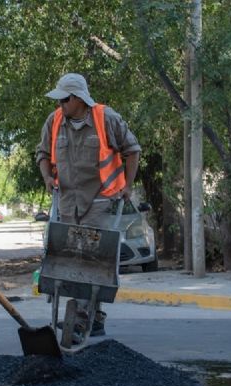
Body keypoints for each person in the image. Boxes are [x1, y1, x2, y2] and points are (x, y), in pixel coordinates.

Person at [35, 73, 141, 340]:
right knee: (71, 260)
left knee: (92, 259)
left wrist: (128, 185)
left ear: (79, 98)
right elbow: (42, 153)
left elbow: (133, 150)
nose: (60, 104)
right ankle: (91, 318)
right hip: (68, 201)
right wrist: (47, 176)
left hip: (100, 200)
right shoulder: (55, 121)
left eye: (65, 99)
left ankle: (83, 318)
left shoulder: (106, 118)